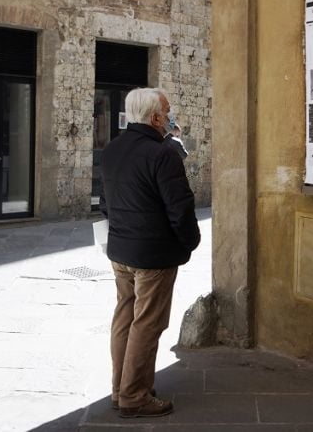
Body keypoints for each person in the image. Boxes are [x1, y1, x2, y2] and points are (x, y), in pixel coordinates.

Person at [98, 87, 201, 418]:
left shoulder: (113, 148)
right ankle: (134, 395)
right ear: (156, 117)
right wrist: (189, 241)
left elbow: (105, 203)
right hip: (153, 256)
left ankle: (121, 388)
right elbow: (180, 207)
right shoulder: (164, 153)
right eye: (168, 111)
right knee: (147, 324)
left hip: (120, 250)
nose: (171, 116)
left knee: (125, 318)